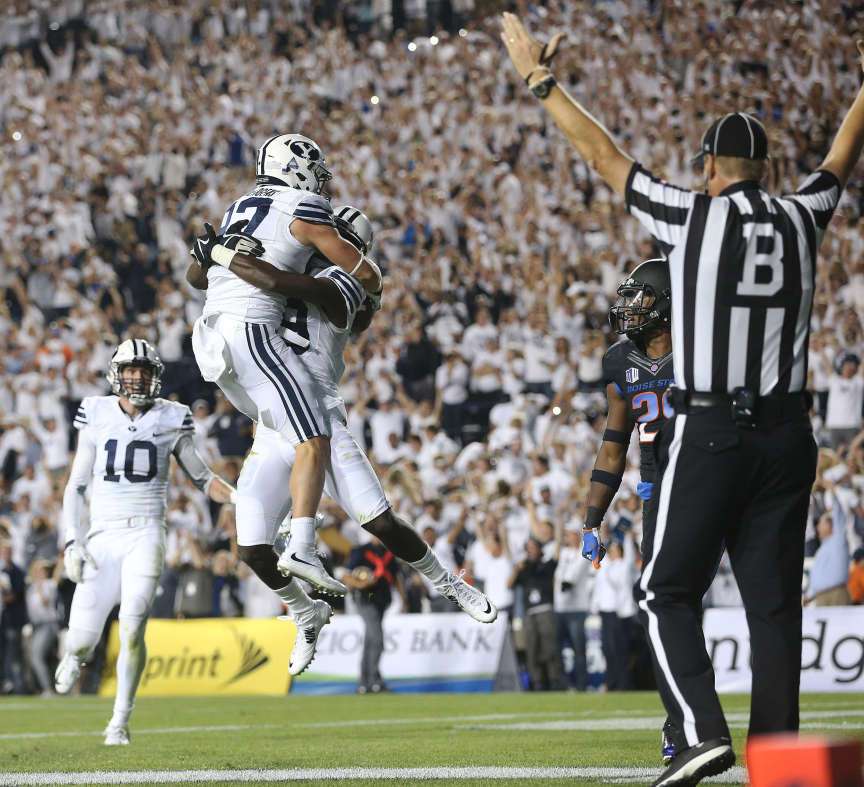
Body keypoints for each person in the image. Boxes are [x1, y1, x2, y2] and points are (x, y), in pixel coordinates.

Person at [502, 17, 864, 786]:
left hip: (710, 430)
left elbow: (603, 156)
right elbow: (839, 158)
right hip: (789, 436)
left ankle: (699, 730)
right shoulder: (802, 217)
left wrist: (541, 82)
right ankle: (780, 760)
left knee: (663, 589)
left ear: (708, 167)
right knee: (774, 610)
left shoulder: (689, 216)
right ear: (764, 169)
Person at [188, 207, 497, 676]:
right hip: (275, 419)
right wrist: (217, 256)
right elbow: (226, 283)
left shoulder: (343, 282)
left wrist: (228, 255)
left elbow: (296, 288)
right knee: (250, 547)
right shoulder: (283, 260)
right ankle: (305, 612)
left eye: (335, 238)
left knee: (380, 520)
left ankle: (450, 583)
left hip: (320, 412)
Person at [187, 133, 383, 597]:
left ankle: (296, 565)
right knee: (310, 441)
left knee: (283, 461)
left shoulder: (248, 212)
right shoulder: (302, 217)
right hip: (262, 348)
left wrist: (217, 253)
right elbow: (359, 274)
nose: (336, 243)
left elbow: (222, 276)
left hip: (219, 339)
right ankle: (302, 544)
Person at [53, 339, 236, 745]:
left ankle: (119, 720)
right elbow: (76, 485)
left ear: (155, 375)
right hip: (102, 534)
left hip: (147, 531)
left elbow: (203, 479)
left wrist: (237, 496)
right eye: (130, 369)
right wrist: (72, 540)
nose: (137, 376)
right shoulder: (96, 411)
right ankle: (74, 655)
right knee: (83, 640)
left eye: (144, 370)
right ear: (117, 373)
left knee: (134, 624)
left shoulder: (173, 416)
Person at [344, 536, 401, 694]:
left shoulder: (389, 552)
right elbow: (346, 575)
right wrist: (361, 584)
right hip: (365, 599)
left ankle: (365, 682)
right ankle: (374, 681)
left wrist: (403, 599)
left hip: (382, 600)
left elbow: (396, 578)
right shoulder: (361, 551)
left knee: (370, 641)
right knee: (377, 639)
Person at [509, 537, 562, 691]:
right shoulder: (523, 567)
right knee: (531, 649)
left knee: (550, 648)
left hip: (545, 609)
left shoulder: (546, 565)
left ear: (540, 549)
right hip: (529, 613)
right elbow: (509, 584)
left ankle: (554, 680)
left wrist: (558, 525)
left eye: (533, 547)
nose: (530, 550)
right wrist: (516, 569)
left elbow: (557, 554)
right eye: (528, 547)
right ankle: (537, 682)